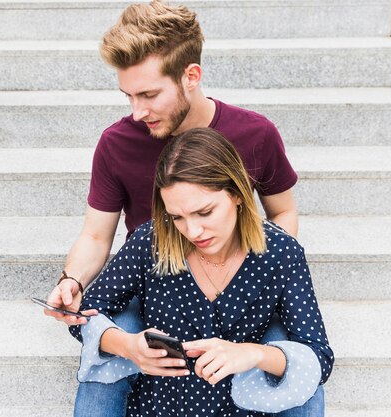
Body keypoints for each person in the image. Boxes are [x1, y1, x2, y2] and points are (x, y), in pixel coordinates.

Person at [43, 1, 325, 415]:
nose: (137, 111)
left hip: (246, 278)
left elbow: (282, 213)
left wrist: (257, 276)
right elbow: (95, 235)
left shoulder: (256, 133)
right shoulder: (117, 144)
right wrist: (73, 280)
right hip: (150, 281)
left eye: (149, 94)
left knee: (299, 370)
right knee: (107, 362)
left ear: (191, 76)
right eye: (128, 96)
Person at [69, 128, 334, 417]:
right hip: (159, 407)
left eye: (205, 212)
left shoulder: (282, 253)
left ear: (236, 194)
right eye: (177, 217)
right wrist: (128, 345)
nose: (193, 231)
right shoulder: (151, 241)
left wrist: (254, 353)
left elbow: (318, 356)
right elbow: (85, 314)